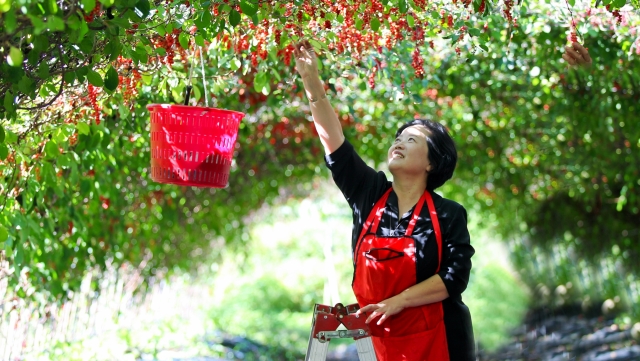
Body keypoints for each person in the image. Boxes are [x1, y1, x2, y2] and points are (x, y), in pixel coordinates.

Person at [293, 39, 591, 361]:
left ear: (431, 163)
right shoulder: (369, 195)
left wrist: (399, 301)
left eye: (411, 139)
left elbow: (454, 278)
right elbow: (334, 143)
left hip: (442, 342)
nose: (399, 143)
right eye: (398, 138)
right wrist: (312, 82)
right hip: (384, 342)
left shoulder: (447, 214)